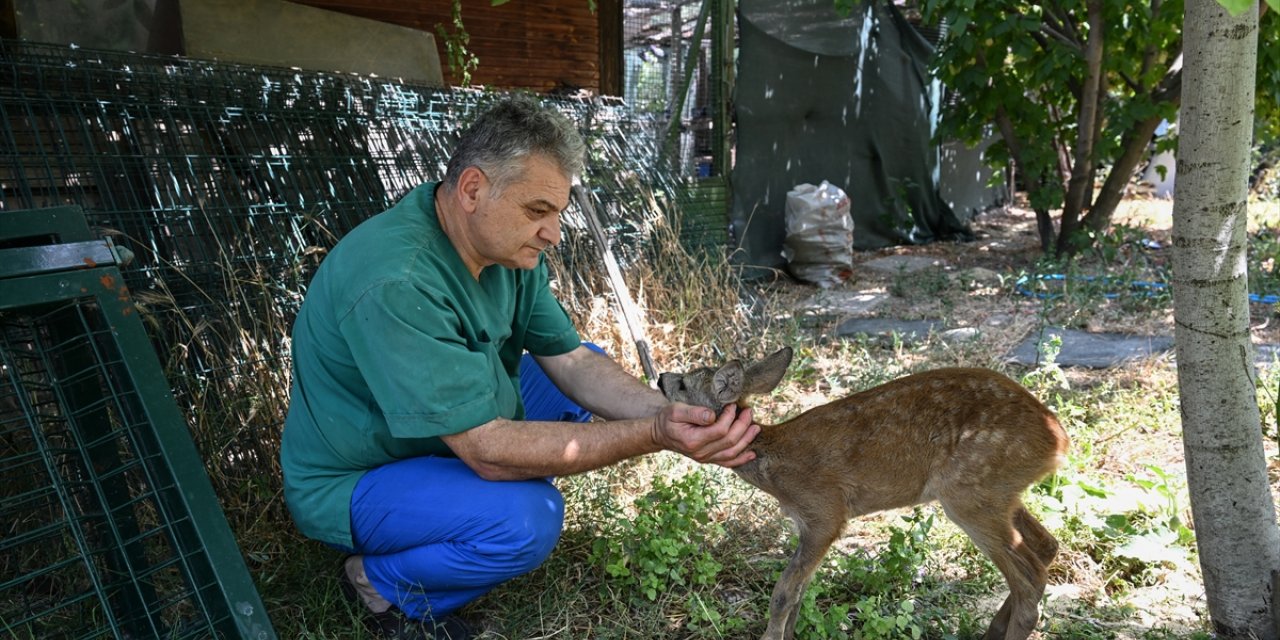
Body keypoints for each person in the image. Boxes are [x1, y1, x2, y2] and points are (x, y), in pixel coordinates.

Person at [280, 96, 760, 640]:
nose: (553, 233)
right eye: (538, 211)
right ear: (472, 190)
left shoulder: (503, 250)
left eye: (557, 212)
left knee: (592, 364)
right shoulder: (399, 280)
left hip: (440, 433)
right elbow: (485, 450)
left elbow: (573, 361)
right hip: (359, 478)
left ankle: (466, 512)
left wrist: (679, 413)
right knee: (527, 520)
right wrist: (654, 434)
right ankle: (376, 580)